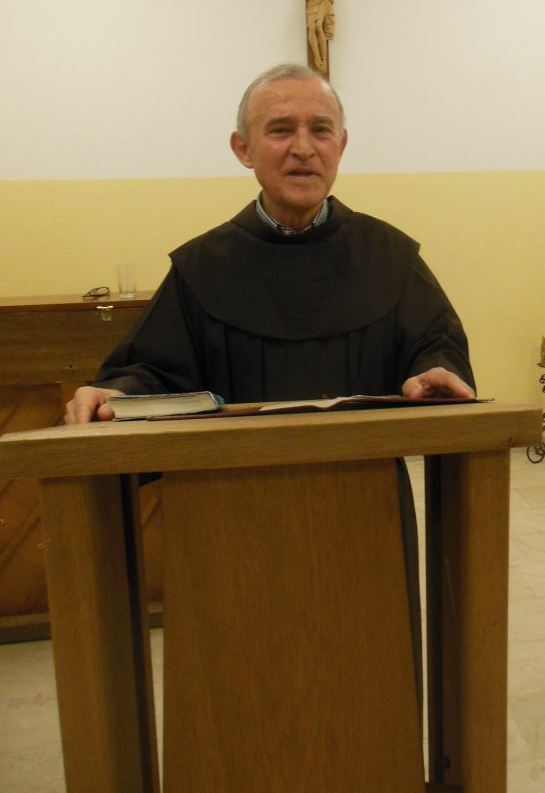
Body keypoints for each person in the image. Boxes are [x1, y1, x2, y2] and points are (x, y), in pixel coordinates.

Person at [65, 63, 475, 705]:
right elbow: (157, 368)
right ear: (243, 148)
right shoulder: (202, 267)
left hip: (362, 513)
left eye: (321, 129)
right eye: (280, 129)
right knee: (244, 688)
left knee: (368, 683)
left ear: (343, 144)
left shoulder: (389, 257)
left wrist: (434, 372)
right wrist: (118, 393)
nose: (303, 147)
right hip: (231, 521)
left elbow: (435, 345)